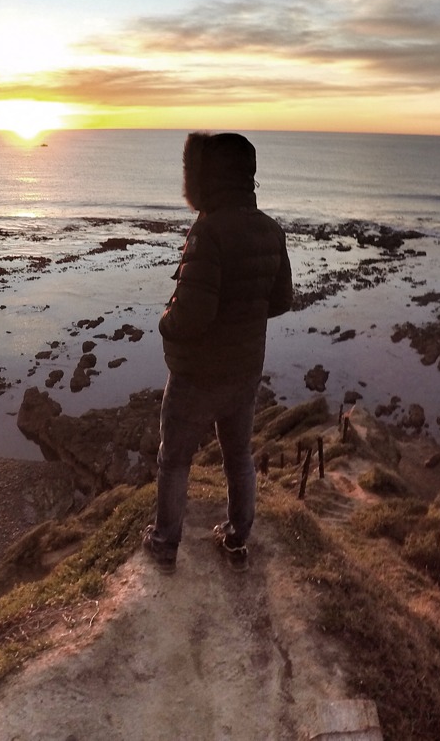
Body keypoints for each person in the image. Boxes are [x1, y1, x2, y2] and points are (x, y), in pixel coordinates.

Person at [143, 132, 294, 572]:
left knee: (173, 458)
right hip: (245, 370)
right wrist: (244, 313)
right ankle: (236, 537)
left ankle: (165, 543)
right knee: (238, 456)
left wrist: (164, 321)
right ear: (248, 176)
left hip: (197, 374)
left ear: (208, 177)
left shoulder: (207, 231)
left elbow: (192, 314)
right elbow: (281, 301)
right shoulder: (270, 229)